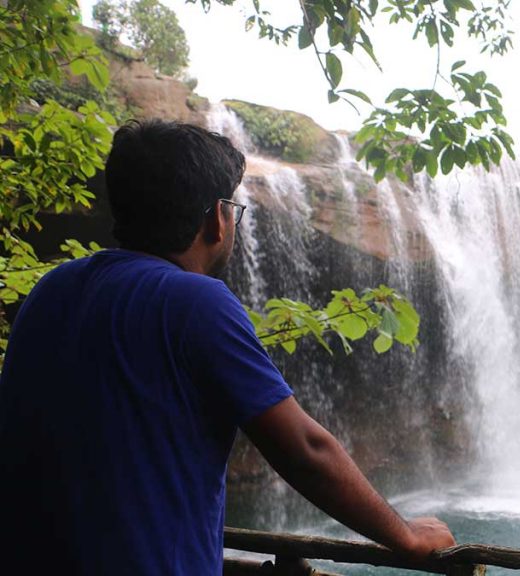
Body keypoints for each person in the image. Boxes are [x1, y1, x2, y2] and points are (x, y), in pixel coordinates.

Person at [0, 120, 455, 575]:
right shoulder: (196, 302)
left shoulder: (52, 288)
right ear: (217, 218)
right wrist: (407, 537)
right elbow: (304, 451)